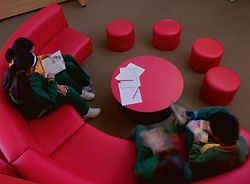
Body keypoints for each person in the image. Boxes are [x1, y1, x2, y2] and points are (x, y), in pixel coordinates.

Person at [2, 52, 101, 120]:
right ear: (30, 69)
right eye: (35, 65)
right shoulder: (28, 87)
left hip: (39, 96)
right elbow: (49, 99)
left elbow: (39, 79)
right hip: (39, 110)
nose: (36, 67)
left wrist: (54, 83)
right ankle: (86, 113)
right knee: (67, 91)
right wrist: (52, 82)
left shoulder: (20, 73)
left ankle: (80, 93)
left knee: (61, 79)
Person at [171, 104, 249, 181]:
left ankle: (183, 124)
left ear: (216, 136)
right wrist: (208, 129)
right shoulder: (242, 142)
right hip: (221, 144)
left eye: (210, 129)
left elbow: (194, 163)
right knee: (223, 110)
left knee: (193, 126)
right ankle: (191, 115)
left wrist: (199, 138)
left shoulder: (210, 157)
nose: (209, 129)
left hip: (202, 153)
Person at [5, 37, 95, 100]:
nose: (33, 53)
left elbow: (34, 59)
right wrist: (49, 75)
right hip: (43, 76)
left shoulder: (23, 56)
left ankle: (85, 82)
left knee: (68, 58)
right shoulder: (18, 66)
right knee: (66, 71)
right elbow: (33, 75)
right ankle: (80, 93)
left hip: (43, 66)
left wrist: (44, 57)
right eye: (32, 52)